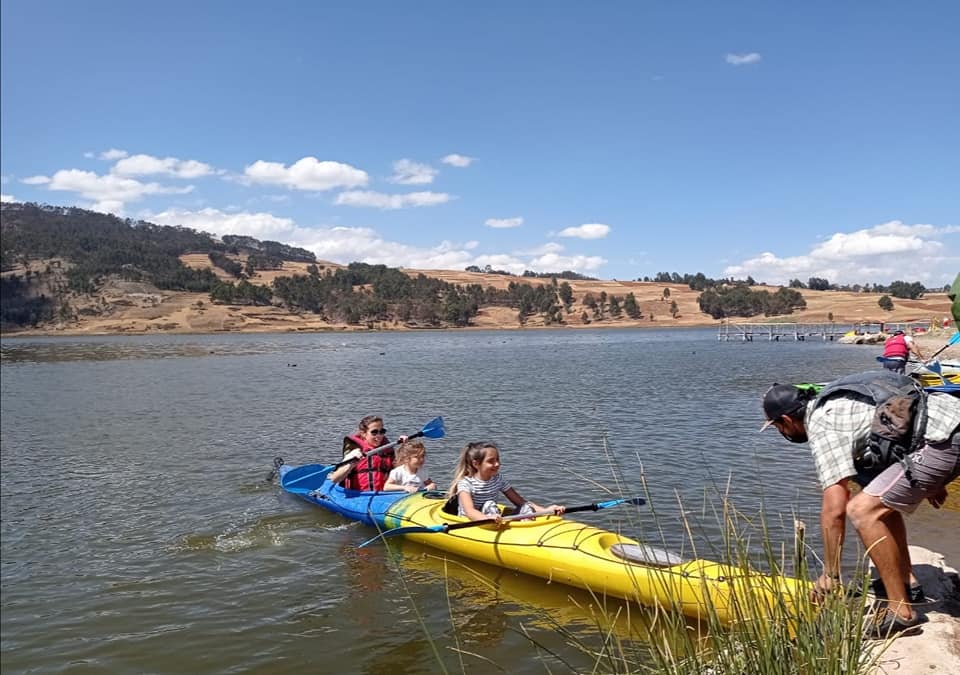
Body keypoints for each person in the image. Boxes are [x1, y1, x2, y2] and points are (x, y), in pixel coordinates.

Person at [760, 373, 960, 636]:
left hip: (944, 439)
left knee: (862, 511)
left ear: (787, 420)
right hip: (946, 425)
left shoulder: (822, 422)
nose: (782, 433)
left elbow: (834, 509)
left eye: (778, 427)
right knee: (879, 499)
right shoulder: (837, 399)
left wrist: (831, 574)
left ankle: (901, 613)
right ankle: (906, 583)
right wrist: (933, 480)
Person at [447, 442, 565, 522]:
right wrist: (487, 519)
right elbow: (470, 511)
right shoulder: (465, 483)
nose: (497, 464)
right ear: (476, 464)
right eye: (491, 461)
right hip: (472, 522)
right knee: (490, 504)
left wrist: (547, 510)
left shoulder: (498, 479)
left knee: (526, 507)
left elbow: (521, 502)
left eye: (498, 460)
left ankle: (527, 531)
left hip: (493, 518)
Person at [328, 415, 407, 491]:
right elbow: (334, 479)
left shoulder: (387, 449)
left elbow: (404, 469)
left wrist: (404, 446)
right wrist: (351, 464)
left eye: (382, 431)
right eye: (374, 432)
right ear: (363, 433)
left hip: (383, 495)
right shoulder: (354, 450)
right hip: (358, 495)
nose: (379, 436)